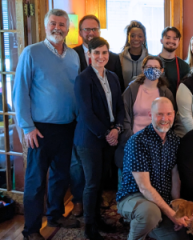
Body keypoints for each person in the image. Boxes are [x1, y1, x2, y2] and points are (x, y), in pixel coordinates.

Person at [13, 9, 80, 240]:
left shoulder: (73, 56)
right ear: (45, 26)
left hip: (67, 126)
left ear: (67, 28)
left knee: (61, 176)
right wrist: (27, 126)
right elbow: (19, 92)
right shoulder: (31, 53)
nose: (57, 28)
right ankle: (31, 229)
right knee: (35, 181)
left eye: (62, 24)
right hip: (39, 129)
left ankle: (55, 215)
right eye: (53, 23)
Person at [70, 14, 124, 219]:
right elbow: (86, 113)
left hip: (109, 136)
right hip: (89, 138)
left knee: (101, 181)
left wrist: (117, 129)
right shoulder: (83, 79)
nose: (101, 56)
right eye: (97, 53)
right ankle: (90, 227)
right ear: (90, 55)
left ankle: (99, 222)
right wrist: (107, 134)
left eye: (104, 52)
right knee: (91, 184)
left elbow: (119, 106)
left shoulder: (112, 76)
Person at [117, 97, 192, 240]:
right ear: (150, 115)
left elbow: (175, 177)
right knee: (150, 213)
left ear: (174, 115)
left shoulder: (175, 141)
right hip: (135, 196)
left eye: (169, 114)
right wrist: (172, 215)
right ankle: (136, 232)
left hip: (160, 201)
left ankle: (150, 225)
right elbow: (144, 188)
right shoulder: (138, 141)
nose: (165, 119)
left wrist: (176, 209)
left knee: (182, 236)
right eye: (159, 114)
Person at [115, 55, 175, 190]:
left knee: (152, 187)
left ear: (162, 70)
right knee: (131, 186)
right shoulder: (132, 90)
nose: (153, 70)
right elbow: (123, 115)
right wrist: (132, 139)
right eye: (149, 67)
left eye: (156, 68)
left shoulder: (166, 93)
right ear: (143, 69)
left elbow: (171, 119)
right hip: (133, 140)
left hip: (157, 142)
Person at [72, 15, 125, 91]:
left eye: (94, 29)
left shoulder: (114, 58)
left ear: (99, 32)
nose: (91, 33)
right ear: (80, 32)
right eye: (87, 29)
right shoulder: (72, 54)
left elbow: (120, 87)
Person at [158, 26, 190, 98]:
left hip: (175, 106)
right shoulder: (151, 63)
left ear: (179, 42)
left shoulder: (184, 66)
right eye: (168, 37)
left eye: (175, 39)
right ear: (161, 40)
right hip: (153, 106)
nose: (171, 41)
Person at [119, 20, 149, 89]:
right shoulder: (119, 58)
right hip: (123, 98)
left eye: (140, 36)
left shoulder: (150, 59)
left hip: (145, 98)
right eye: (132, 36)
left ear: (144, 38)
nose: (136, 39)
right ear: (128, 37)